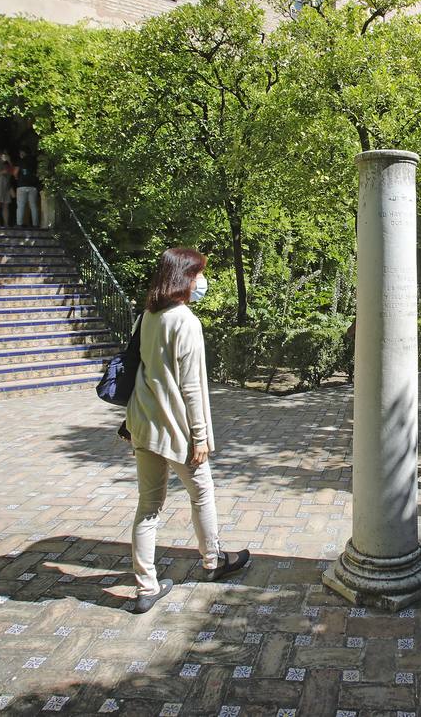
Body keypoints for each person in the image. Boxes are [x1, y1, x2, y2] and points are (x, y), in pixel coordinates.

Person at [126, 248, 249, 614]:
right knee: (202, 493)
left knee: (148, 508)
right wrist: (201, 437)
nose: (201, 283)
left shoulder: (148, 316)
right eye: (197, 275)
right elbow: (192, 387)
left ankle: (146, 588)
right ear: (183, 278)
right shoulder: (185, 322)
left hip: (144, 424)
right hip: (176, 428)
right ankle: (213, 562)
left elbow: (138, 369)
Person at [14, 147, 41, 228]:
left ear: (22, 153)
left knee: (21, 205)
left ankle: (19, 224)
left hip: (22, 185)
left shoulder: (20, 161)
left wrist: (16, 178)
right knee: (33, 205)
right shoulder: (34, 161)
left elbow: (15, 172)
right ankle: (35, 224)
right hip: (33, 186)